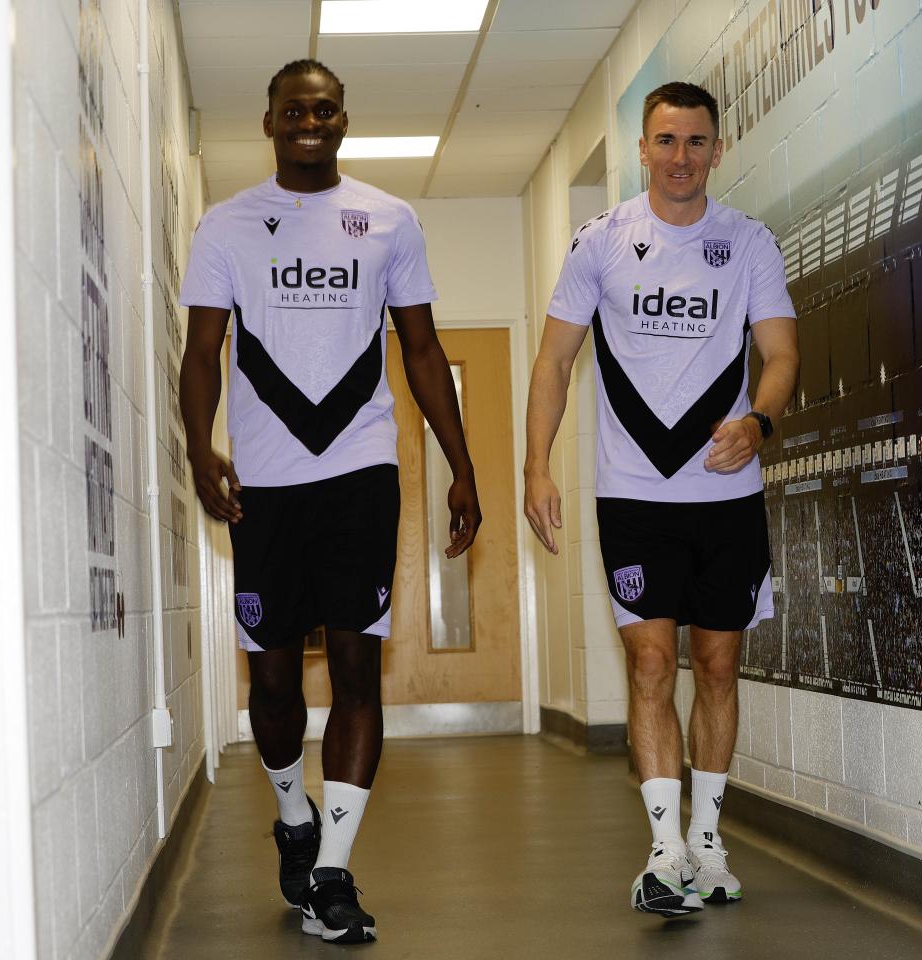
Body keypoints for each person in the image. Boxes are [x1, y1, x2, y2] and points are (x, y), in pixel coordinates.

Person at [179, 58, 481, 944]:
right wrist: (200, 448)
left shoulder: (390, 220)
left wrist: (459, 463)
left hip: (360, 473)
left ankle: (335, 871)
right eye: (292, 110)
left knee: (355, 669)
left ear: (343, 120)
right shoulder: (226, 227)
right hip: (266, 487)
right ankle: (292, 813)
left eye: (324, 110)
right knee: (270, 679)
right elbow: (204, 353)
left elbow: (421, 350)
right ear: (268, 121)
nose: (309, 121)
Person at [523, 81, 799, 917]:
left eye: (696, 142)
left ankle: (708, 840)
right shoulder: (600, 243)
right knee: (650, 661)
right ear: (642, 149)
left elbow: (781, 354)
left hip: (725, 495)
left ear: (718, 150)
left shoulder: (748, 244)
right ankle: (664, 848)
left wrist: (759, 421)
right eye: (666, 141)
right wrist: (535, 466)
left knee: (716, 664)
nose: (681, 157)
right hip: (634, 495)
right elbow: (553, 363)